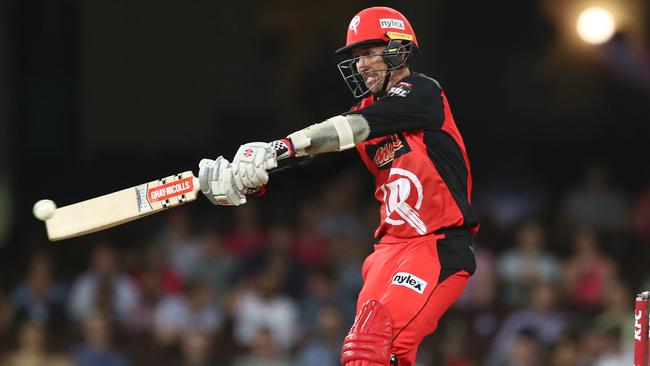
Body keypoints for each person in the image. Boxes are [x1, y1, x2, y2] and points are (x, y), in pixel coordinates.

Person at [197, 6, 478, 365]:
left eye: (369, 52)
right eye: (357, 57)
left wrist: (279, 147)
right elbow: (314, 172)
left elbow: (355, 126)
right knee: (366, 355)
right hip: (387, 252)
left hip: (436, 245)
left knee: (372, 343)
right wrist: (249, 185)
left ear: (399, 48)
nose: (360, 65)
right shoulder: (366, 109)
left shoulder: (423, 93)